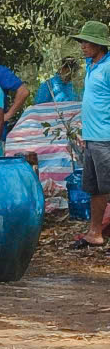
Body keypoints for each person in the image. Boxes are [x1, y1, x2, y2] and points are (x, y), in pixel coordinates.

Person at [71, 21, 110, 250]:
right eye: (82, 41)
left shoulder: (107, 67)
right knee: (95, 187)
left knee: (107, 186)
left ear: (100, 45)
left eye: (88, 42)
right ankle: (95, 232)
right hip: (93, 137)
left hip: (106, 137)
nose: (83, 45)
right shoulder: (92, 65)